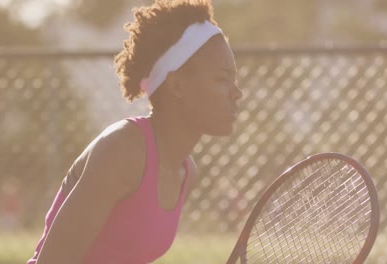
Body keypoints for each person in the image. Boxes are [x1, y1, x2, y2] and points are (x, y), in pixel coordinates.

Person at [28, 0, 242, 263]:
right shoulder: (123, 150)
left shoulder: (186, 173)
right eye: (222, 79)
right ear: (176, 85)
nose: (237, 93)